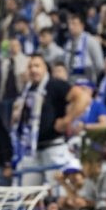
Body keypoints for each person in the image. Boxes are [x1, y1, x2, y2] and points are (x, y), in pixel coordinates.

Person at [9, 53, 90, 187]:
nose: (33, 70)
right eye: (30, 66)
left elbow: (83, 98)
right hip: (32, 149)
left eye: (37, 66)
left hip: (54, 147)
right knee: (26, 193)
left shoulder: (54, 85)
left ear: (45, 68)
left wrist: (67, 120)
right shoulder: (26, 90)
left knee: (59, 190)